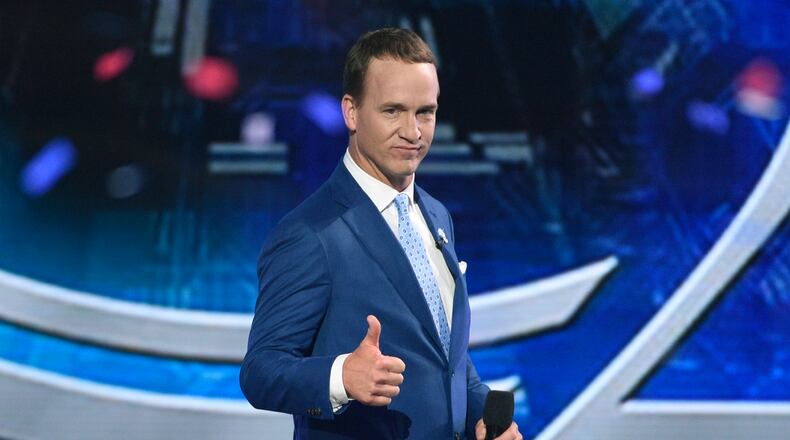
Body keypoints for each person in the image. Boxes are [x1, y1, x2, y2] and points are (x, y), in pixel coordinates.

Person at [240, 28, 522, 440]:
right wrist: (341, 377)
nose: (413, 131)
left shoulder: (438, 216)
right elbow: (261, 371)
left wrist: (482, 417)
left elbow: (445, 357)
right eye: (393, 111)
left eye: (425, 112)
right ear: (351, 112)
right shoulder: (309, 233)